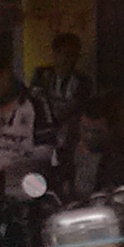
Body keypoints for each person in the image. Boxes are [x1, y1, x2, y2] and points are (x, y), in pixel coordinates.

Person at [29, 32, 91, 165]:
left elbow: (77, 107)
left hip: (69, 133)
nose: (70, 60)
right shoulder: (42, 74)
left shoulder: (83, 81)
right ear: (55, 54)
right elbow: (35, 101)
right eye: (66, 54)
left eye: (74, 56)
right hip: (43, 132)